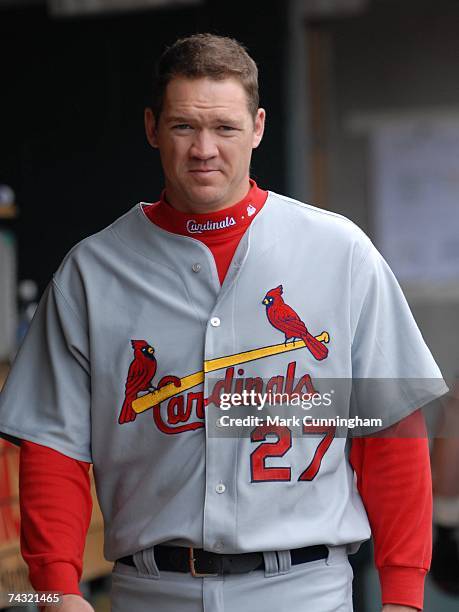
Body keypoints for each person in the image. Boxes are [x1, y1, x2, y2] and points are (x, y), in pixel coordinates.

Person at [0, 33, 449, 612]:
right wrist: (57, 588)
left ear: (258, 127)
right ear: (151, 128)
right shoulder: (93, 271)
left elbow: (390, 434)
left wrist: (404, 594)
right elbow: (54, 446)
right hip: (152, 590)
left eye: (226, 128)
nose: (204, 149)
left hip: (303, 589)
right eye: (184, 126)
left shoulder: (340, 253)